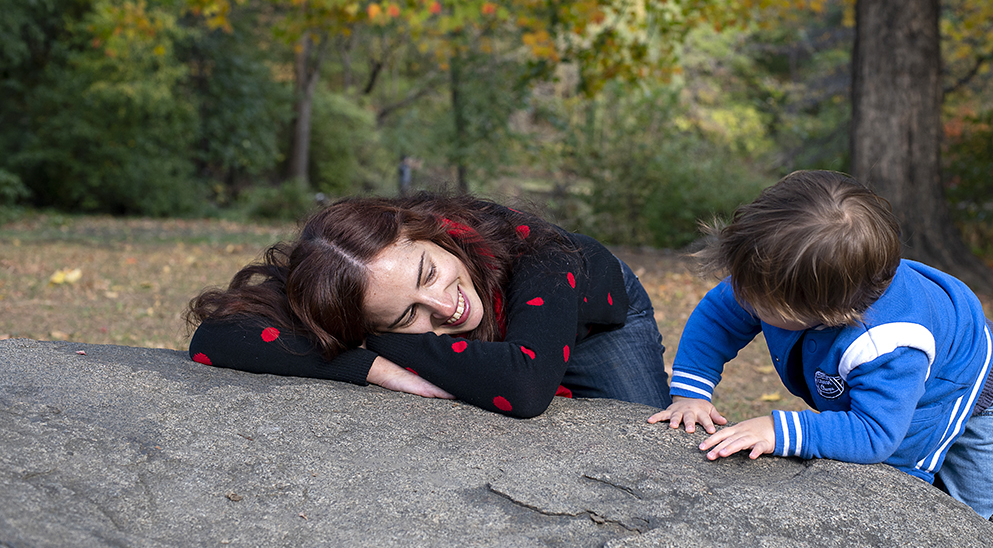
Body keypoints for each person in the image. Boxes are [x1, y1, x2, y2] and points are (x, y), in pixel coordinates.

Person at [648, 170, 993, 518]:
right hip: (900, 381)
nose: (745, 300)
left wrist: (779, 431)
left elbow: (876, 433)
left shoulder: (888, 344)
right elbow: (718, 317)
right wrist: (691, 393)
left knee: (971, 512)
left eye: (762, 305)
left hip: (975, 391)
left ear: (832, 315)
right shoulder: (768, 280)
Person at [187, 192, 671, 418]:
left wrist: (380, 342)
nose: (445, 307)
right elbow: (213, 339)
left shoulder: (539, 255)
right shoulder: (338, 279)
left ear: (427, 232)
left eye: (429, 273)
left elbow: (524, 389)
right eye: (406, 314)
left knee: (651, 445)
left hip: (597, 323)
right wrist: (371, 366)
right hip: (517, 333)